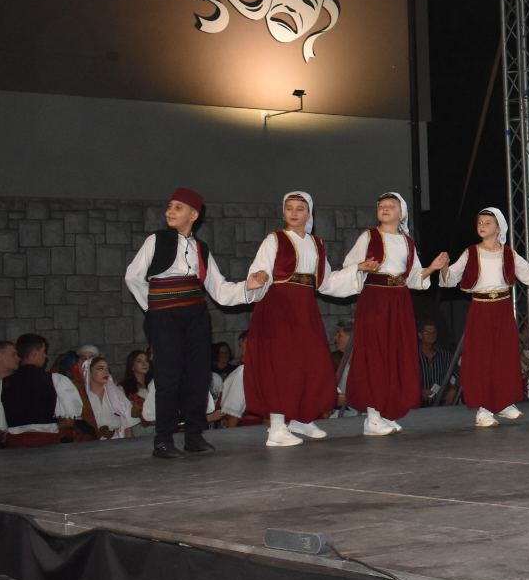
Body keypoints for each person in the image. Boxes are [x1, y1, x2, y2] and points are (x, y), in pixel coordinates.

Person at [125, 187, 263, 459]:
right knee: (168, 377)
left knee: (198, 376)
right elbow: (133, 276)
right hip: (165, 316)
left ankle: (194, 435)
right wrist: (154, 308)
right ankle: (163, 440)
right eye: (169, 206)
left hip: (196, 316)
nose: (170, 211)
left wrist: (248, 287)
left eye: (178, 207)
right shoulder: (156, 240)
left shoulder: (201, 248)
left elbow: (219, 289)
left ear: (193, 215)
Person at [324, 192, 448, 436]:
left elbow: (413, 278)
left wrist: (432, 268)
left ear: (401, 213)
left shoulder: (407, 242)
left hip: (399, 302)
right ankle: (372, 417)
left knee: (395, 354)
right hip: (376, 299)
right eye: (381, 205)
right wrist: (361, 267)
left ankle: (385, 412)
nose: (385, 208)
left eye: (391, 205)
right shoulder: (369, 236)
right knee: (375, 354)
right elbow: (350, 266)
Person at [244, 192, 347, 447]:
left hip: (305, 308)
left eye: (300, 208)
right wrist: (260, 277)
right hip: (278, 307)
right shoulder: (274, 239)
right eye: (289, 208)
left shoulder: (316, 243)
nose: (293, 213)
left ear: (309, 213)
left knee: (312, 362)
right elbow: (260, 269)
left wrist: (358, 271)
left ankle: (302, 418)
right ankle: (277, 427)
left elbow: (325, 281)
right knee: (282, 366)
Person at [440, 207, 529, 427]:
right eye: (480, 222)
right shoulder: (471, 252)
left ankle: (503, 403)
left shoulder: (508, 253)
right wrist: (444, 267)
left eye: (487, 223)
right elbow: (451, 277)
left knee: (504, 355)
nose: (482, 226)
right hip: (481, 309)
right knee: (482, 357)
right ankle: (483, 409)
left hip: (502, 308)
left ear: (499, 228)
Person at [0, 333, 85, 447]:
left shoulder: (2, 385)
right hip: (49, 444)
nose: (45, 356)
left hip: (16, 447)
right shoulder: (57, 380)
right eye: (44, 351)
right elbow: (68, 421)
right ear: (35, 353)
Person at [75, 356, 139, 439]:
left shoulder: (117, 395)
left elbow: (127, 427)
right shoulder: (82, 398)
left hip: (118, 442)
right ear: (89, 373)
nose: (106, 372)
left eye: (107, 369)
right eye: (100, 368)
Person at [417, 323, 452, 406]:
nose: (431, 335)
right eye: (427, 332)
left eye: (434, 332)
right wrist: (418, 392)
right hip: (418, 405)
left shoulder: (445, 355)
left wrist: (453, 390)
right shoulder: (412, 357)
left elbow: (457, 375)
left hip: (441, 405)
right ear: (420, 335)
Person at [122, 349, 151, 420]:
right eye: (139, 361)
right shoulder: (124, 387)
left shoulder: (153, 385)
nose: (144, 364)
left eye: (146, 360)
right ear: (132, 366)